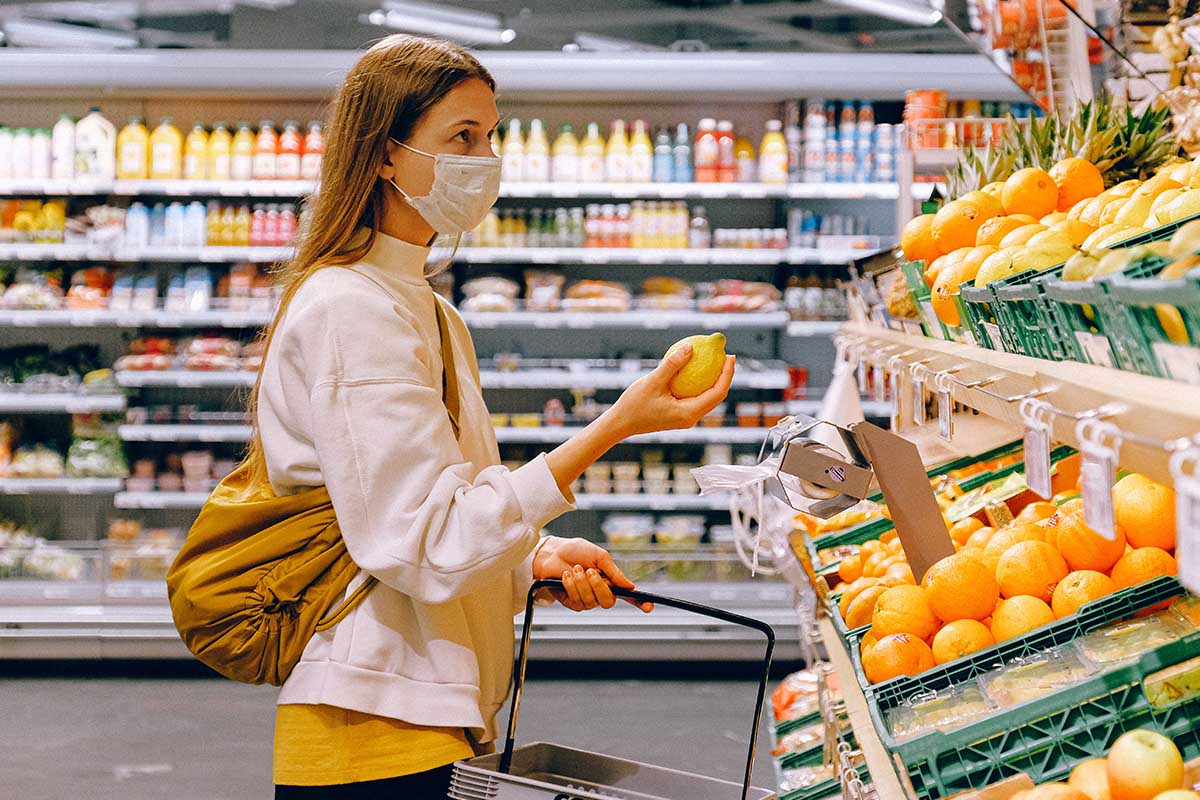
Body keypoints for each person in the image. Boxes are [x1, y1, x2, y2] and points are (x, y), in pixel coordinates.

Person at [245, 34, 736, 799]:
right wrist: (613, 429)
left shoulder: (430, 311)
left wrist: (528, 559)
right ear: (384, 154)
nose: (485, 159)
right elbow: (423, 541)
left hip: (430, 715)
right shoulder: (351, 308)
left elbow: (442, 508)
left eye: (492, 135)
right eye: (462, 137)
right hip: (371, 727)